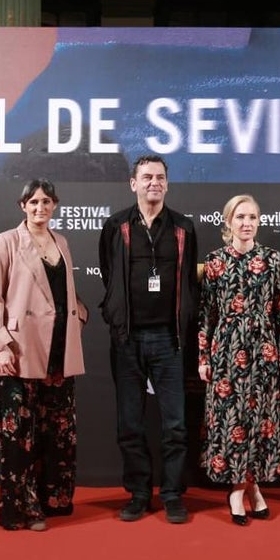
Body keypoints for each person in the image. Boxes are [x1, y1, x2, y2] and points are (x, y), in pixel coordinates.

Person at [98, 155, 200, 524]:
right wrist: (115, 312)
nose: (153, 183)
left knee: (175, 425)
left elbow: (189, 281)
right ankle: (139, 493)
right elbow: (108, 274)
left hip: (169, 340)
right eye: (146, 177)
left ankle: (172, 493)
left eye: (159, 177)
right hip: (127, 340)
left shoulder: (184, 228)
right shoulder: (115, 226)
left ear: (167, 185)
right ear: (133, 183)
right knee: (131, 423)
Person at [0, 178, 88, 532]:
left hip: (59, 351)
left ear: (55, 205)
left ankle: (52, 499)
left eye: (46, 202)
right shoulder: (6, 242)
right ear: (22, 206)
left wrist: (80, 313)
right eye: (33, 202)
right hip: (19, 350)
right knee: (19, 436)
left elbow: (60, 292)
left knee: (56, 431)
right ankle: (21, 508)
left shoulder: (63, 242)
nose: (40, 208)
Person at [198, 194, 280, 525]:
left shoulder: (273, 260)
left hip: (265, 352)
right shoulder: (214, 262)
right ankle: (237, 490)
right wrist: (203, 356)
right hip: (225, 352)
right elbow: (206, 314)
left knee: (259, 421)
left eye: (252, 217)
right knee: (232, 421)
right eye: (240, 217)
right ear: (228, 222)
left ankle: (253, 487)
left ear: (258, 221)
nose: (246, 223)